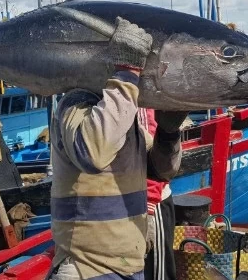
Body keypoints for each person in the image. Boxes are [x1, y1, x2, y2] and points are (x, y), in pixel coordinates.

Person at [48, 17, 186, 280]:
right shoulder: (74, 104)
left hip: (128, 265)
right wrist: (127, 74)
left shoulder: (123, 120)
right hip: (87, 269)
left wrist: (168, 133)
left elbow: (160, 171)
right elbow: (92, 153)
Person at [141, 109, 178, 280]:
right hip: (127, 207)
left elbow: (154, 161)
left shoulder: (140, 100)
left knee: (158, 275)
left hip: (151, 205)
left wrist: (148, 208)